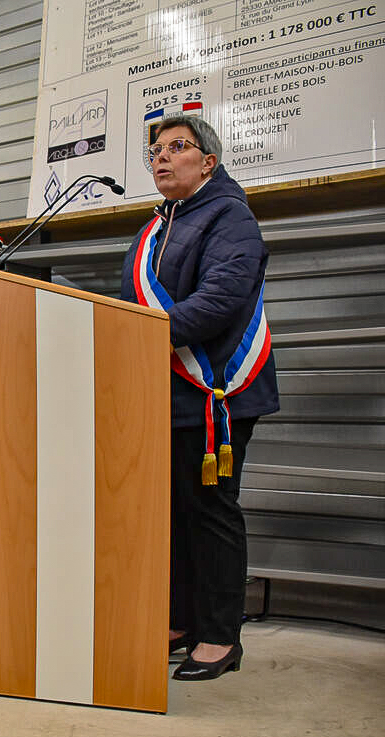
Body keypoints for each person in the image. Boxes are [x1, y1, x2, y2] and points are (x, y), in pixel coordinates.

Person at [120, 116, 278, 680]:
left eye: (177, 148)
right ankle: (182, 618)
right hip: (164, 392)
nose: (161, 158)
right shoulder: (157, 227)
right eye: (155, 150)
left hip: (217, 392)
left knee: (210, 512)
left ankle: (219, 635)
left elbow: (219, 302)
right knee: (172, 513)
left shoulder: (228, 216)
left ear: (208, 162)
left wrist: (132, 333)